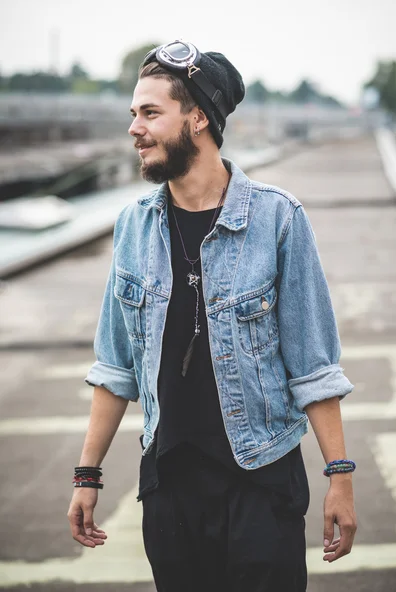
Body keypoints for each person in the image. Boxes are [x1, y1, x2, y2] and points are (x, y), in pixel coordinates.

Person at [68, 40, 357, 591]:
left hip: (261, 482)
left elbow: (313, 366)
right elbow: (115, 367)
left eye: (151, 113)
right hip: (169, 487)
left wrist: (339, 477)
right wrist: (88, 474)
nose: (135, 128)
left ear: (199, 117)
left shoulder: (278, 219)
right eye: (134, 113)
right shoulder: (134, 226)